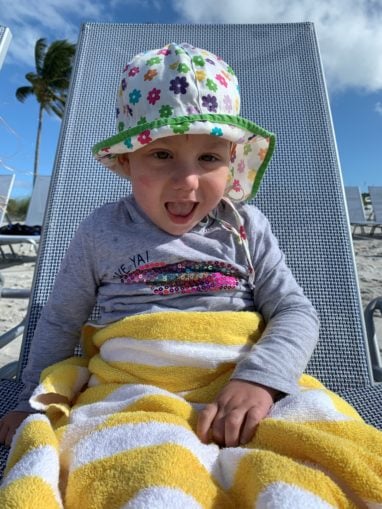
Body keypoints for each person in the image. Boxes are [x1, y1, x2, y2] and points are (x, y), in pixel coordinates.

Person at [0, 42, 319, 450]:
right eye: (163, 154)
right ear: (127, 162)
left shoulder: (245, 227)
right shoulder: (101, 231)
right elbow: (62, 320)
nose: (187, 180)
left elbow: (294, 310)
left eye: (208, 158)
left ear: (232, 160)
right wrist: (34, 398)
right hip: (129, 391)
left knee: (313, 453)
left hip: (236, 384)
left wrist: (260, 378)